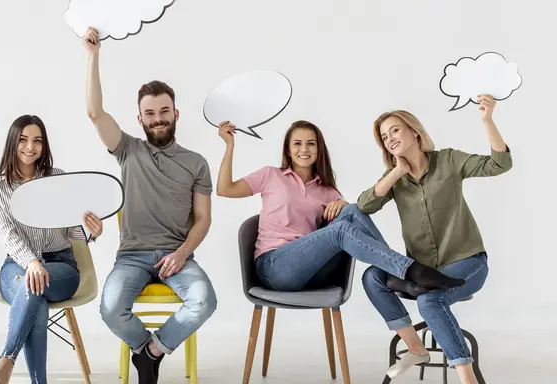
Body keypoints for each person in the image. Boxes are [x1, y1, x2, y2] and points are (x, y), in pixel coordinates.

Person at [82, 27, 217, 384]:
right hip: (132, 256)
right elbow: (95, 112)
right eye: (150, 113)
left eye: (164, 111)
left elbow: (203, 220)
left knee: (205, 301)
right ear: (139, 119)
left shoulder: (197, 162)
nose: (158, 118)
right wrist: (94, 56)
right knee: (111, 308)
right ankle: (146, 351)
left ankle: (152, 352)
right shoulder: (128, 150)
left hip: (178, 255)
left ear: (176, 113)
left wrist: (182, 253)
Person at [357, 95, 512, 383]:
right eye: (384, 136)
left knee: (430, 301)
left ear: (414, 131)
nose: (389, 138)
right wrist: (396, 172)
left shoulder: (449, 160)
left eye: (395, 130)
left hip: (467, 263)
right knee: (372, 277)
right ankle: (415, 348)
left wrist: (487, 120)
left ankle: (467, 378)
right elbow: (364, 205)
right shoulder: (394, 178)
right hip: (422, 272)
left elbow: (499, 164)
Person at [215, 119, 465, 293]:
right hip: (274, 268)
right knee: (341, 230)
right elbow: (224, 190)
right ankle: (408, 271)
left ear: (318, 149)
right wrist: (229, 146)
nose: (304, 149)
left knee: (352, 211)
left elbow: (348, 227)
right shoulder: (271, 175)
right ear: (288, 150)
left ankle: (396, 272)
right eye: (297, 144)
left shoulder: (327, 190)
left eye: (311, 143)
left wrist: (344, 205)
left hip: (310, 272)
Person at [0, 115, 104, 384]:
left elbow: (72, 230)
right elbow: (6, 232)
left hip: (61, 266)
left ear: (44, 145)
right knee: (33, 286)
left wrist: (91, 234)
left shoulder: (57, 178)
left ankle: (6, 360)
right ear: (12, 142)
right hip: (15, 264)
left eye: (37, 141)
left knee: (33, 284)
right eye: (23, 140)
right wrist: (31, 262)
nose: (30, 147)